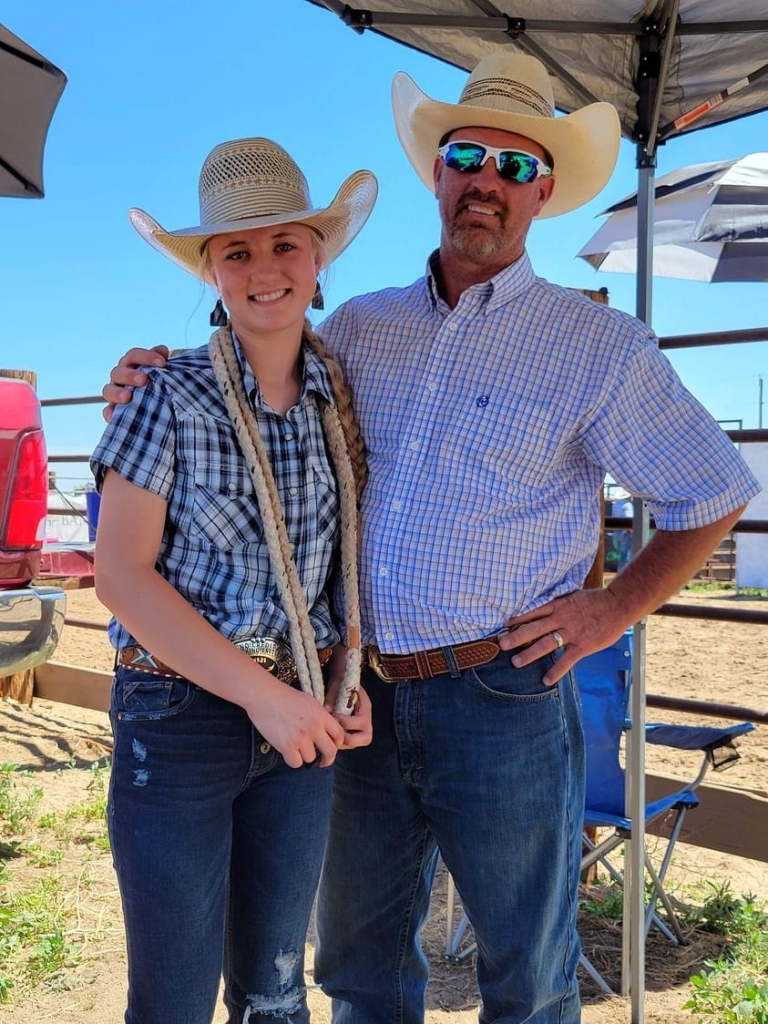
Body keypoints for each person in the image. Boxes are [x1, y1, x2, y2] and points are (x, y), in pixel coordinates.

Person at [103, 53, 761, 1024]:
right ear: (440, 172)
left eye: (516, 165)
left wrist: (611, 608)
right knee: (360, 970)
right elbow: (257, 383)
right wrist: (148, 370)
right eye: (467, 153)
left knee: (527, 974)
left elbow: (710, 490)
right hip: (357, 691)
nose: (487, 178)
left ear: (543, 193)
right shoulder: (361, 330)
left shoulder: (595, 345)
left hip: (500, 691)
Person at [91, 136, 375, 1024]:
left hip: (296, 715)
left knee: (276, 989)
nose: (264, 268)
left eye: (285, 243)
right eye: (237, 250)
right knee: (173, 999)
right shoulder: (167, 395)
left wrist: (338, 680)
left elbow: (333, 567)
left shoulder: (340, 394)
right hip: (179, 722)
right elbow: (122, 579)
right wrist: (268, 698)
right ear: (210, 271)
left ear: (318, 259)